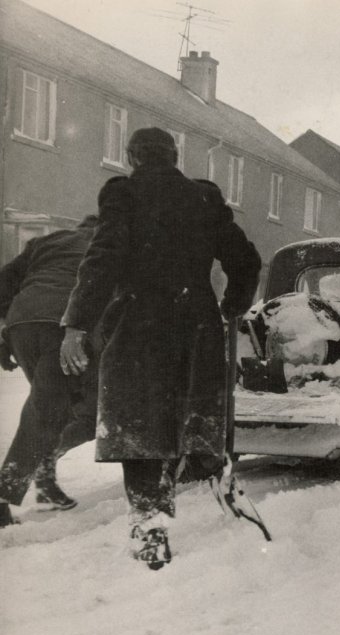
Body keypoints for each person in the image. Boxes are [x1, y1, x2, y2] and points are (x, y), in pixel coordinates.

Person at [59, 127, 261, 570]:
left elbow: (103, 256)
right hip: (197, 326)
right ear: (173, 157)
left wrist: (77, 323)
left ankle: (150, 524)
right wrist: (231, 307)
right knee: (183, 416)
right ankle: (170, 498)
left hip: (139, 325)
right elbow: (246, 259)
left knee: (140, 423)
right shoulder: (205, 198)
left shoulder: (123, 193)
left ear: (133, 158)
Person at [0, 215, 101, 528]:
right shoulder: (103, 245)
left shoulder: (46, 241)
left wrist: (6, 331)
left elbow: (4, 280)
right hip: (61, 326)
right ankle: (4, 495)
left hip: (22, 323)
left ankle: (45, 482)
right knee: (54, 411)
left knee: (54, 406)